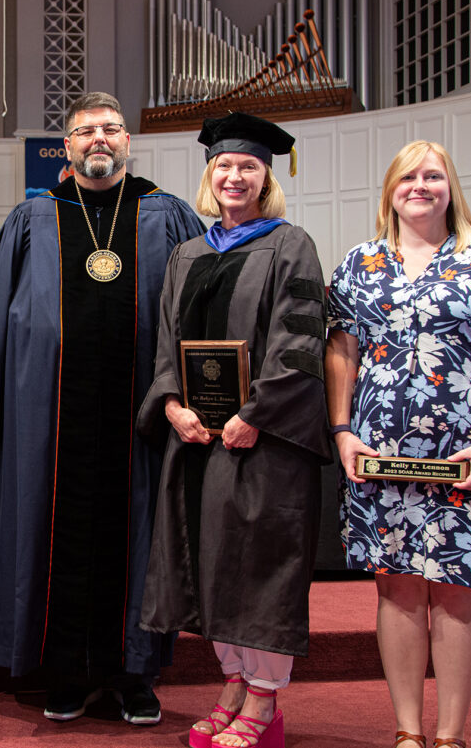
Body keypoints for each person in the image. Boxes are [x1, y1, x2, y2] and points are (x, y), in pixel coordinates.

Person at [0, 91, 204, 724]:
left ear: (128, 141)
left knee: (141, 534)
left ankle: (135, 672)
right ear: (66, 146)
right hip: (49, 415)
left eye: (110, 128)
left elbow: (200, 318)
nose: (98, 139)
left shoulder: (169, 216)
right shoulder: (32, 217)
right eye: (84, 131)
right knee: (54, 527)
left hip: (145, 419)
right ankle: (65, 669)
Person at [324, 140, 471, 748]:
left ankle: (450, 734)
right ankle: (407, 732)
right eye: (408, 176)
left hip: (466, 452)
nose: (420, 185)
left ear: (451, 188)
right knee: (394, 586)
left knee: (456, 588)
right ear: (390, 189)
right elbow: (340, 351)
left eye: (433, 176)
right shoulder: (361, 263)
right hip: (378, 450)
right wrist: (342, 430)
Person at [138, 113, 330, 748]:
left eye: (247, 166)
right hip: (197, 438)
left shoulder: (291, 244)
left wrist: (254, 414)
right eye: (224, 165)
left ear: (266, 176)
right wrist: (170, 403)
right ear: (209, 175)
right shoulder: (190, 252)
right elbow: (166, 340)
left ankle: (265, 695)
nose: (234, 175)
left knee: (260, 563)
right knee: (213, 559)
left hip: (265, 441)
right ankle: (234, 680)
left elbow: (298, 343)